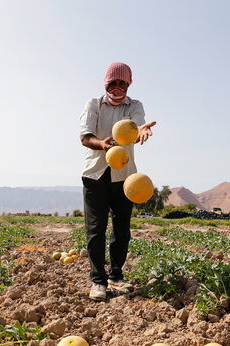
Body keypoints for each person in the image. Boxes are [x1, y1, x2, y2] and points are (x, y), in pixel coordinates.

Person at [79, 62, 156, 301]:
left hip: (125, 177)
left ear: (128, 84)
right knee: (95, 230)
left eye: (122, 83)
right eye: (113, 82)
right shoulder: (94, 104)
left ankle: (116, 275)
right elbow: (85, 136)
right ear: (106, 83)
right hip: (95, 174)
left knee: (122, 230)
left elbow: (137, 123)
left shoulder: (134, 106)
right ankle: (98, 281)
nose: (117, 87)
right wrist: (102, 144)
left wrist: (141, 129)